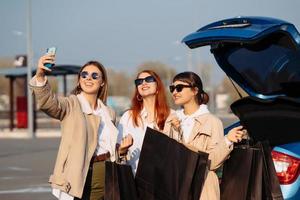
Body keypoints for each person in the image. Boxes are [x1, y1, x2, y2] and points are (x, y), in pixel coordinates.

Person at [29, 53, 125, 200]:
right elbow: (48, 102)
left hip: (108, 174)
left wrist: (122, 149)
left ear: (103, 82)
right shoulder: (71, 104)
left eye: (94, 76)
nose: (88, 78)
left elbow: (109, 146)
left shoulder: (109, 113)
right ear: (79, 80)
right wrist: (41, 74)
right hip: (79, 176)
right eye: (84, 74)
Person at [163, 71, 244, 200]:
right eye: (172, 88)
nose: (174, 92)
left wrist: (227, 140)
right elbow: (166, 159)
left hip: (203, 189)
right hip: (175, 188)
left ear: (195, 90)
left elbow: (213, 163)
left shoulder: (212, 122)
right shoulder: (171, 121)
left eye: (179, 88)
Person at [117, 69, 171, 175]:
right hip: (134, 179)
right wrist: (122, 150)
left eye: (149, 79)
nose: (144, 83)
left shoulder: (171, 116)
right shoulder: (128, 117)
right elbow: (118, 154)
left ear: (158, 86)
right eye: (139, 81)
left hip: (164, 181)